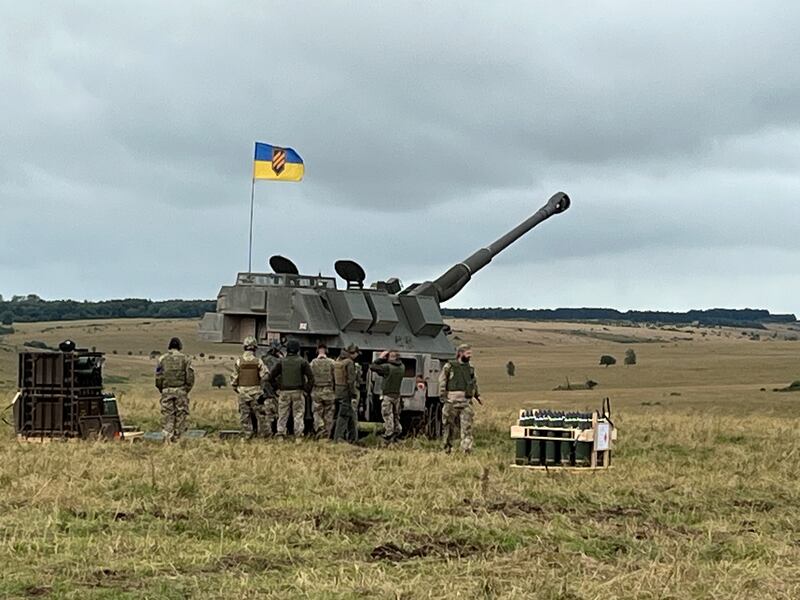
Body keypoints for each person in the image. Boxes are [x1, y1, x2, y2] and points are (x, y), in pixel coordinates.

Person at [438, 343, 481, 453]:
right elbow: (442, 381)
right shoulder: (450, 367)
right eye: (468, 353)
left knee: (467, 428)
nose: (470, 356)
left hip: (465, 402)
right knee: (448, 427)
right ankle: (447, 448)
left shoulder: (470, 369)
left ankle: (466, 449)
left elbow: (473, 383)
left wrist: (477, 395)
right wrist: (443, 396)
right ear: (460, 353)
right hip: (451, 401)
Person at [269, 340, 314, 440]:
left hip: (284, 392)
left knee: (283, 414)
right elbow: (311, 378)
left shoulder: (281, 362)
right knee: (298, 414)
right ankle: (298, 436)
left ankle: (280, 434)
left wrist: (277, 387)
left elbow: (271, 376)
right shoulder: (302, 362)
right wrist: (306, 390)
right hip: (298, 392)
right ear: (298, 350)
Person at [155, 337, 195, 442]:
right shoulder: (186, 359)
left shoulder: (162, 359)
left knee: (168, 415)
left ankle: (167, 437)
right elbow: (190, 377)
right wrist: (186, 389)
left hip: (166, 390)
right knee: (181, 415)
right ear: (180, 346)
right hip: (181, 390)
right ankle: (178, 439)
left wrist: (162, 388)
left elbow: (158, 376)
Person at [231, 336, 269, 438]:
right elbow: (265, 376)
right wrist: (261, 387)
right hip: (256, 392)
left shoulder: (239, 361)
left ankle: (247, 435)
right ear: (255, 348)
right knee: (261, 416)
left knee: (245, 415)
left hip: (243, 392)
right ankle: (263, 436)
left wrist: (237, 389)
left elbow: (234, 379)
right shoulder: (258, 361)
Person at [370, 349, 405, 442]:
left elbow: (373, 367)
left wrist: (381, 358)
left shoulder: (387, 367)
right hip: (397, 395)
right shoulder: (402, 367)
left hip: (387, 395)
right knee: (396, 415)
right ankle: (397, 431)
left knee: (387, 414)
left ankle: (388, 433)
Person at [333, 344, 359, 443]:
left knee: (350, 415)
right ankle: (338, 437)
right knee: (343, 415)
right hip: (346, 393)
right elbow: (351, 381)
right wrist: (353, 394)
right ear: (353, 353)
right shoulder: (349, 363)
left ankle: (353, 438)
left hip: (338, 391)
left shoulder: (338, 361)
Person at [310, 342, 336, 439]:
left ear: (317, 351)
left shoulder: (313, 363)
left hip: (317, 391)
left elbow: (309, 377)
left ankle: (319, 429)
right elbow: (335, 377)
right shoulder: (332, 363)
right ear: (327, 351)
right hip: (329, 391)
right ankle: (327, 435)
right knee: (329, 414)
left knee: (317, 413)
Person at [260, 340, 283, 436]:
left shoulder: (262, 360)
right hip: (273, 392)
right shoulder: (277, 361)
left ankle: (265, 433)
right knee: (276, 414)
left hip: (262, 391)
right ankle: (273, 433)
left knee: (266, 415)